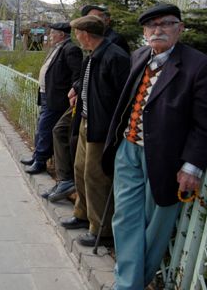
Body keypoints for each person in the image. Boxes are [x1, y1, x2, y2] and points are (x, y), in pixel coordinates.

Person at [103, 4, 207, 289]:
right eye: (151, 25)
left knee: (156, 227)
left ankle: (134, 280)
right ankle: (127, 284)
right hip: (129, 149)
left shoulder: (199, 66)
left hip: (167, 158)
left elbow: (206, 123)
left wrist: (192, 166)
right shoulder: (139, 56)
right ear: (144, 32)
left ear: (179, 28)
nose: (158, 29)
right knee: (125, 219)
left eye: (166, 24)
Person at [60, 15, 130, 248]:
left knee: (96, 176)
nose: (76, 37)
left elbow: (122, 97)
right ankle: (82, 214)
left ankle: (102, 228)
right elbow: (90, 83)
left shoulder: (114, 57)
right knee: (80, 169)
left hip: (102, 126)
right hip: (85, 120)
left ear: (86, 35)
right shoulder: (92, 55)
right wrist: (77, 89)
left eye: (77, 33)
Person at [20, 22, 83, 178]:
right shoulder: (57, 48)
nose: (50, 36)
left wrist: (73, 91)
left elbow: (77, 74)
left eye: (53, 33)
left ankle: (40, 161)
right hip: (46, 94)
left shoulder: (71, 49)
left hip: (57, 97)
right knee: (41, 126)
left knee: (45, 128)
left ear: (61, 35)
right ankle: (37, 156)